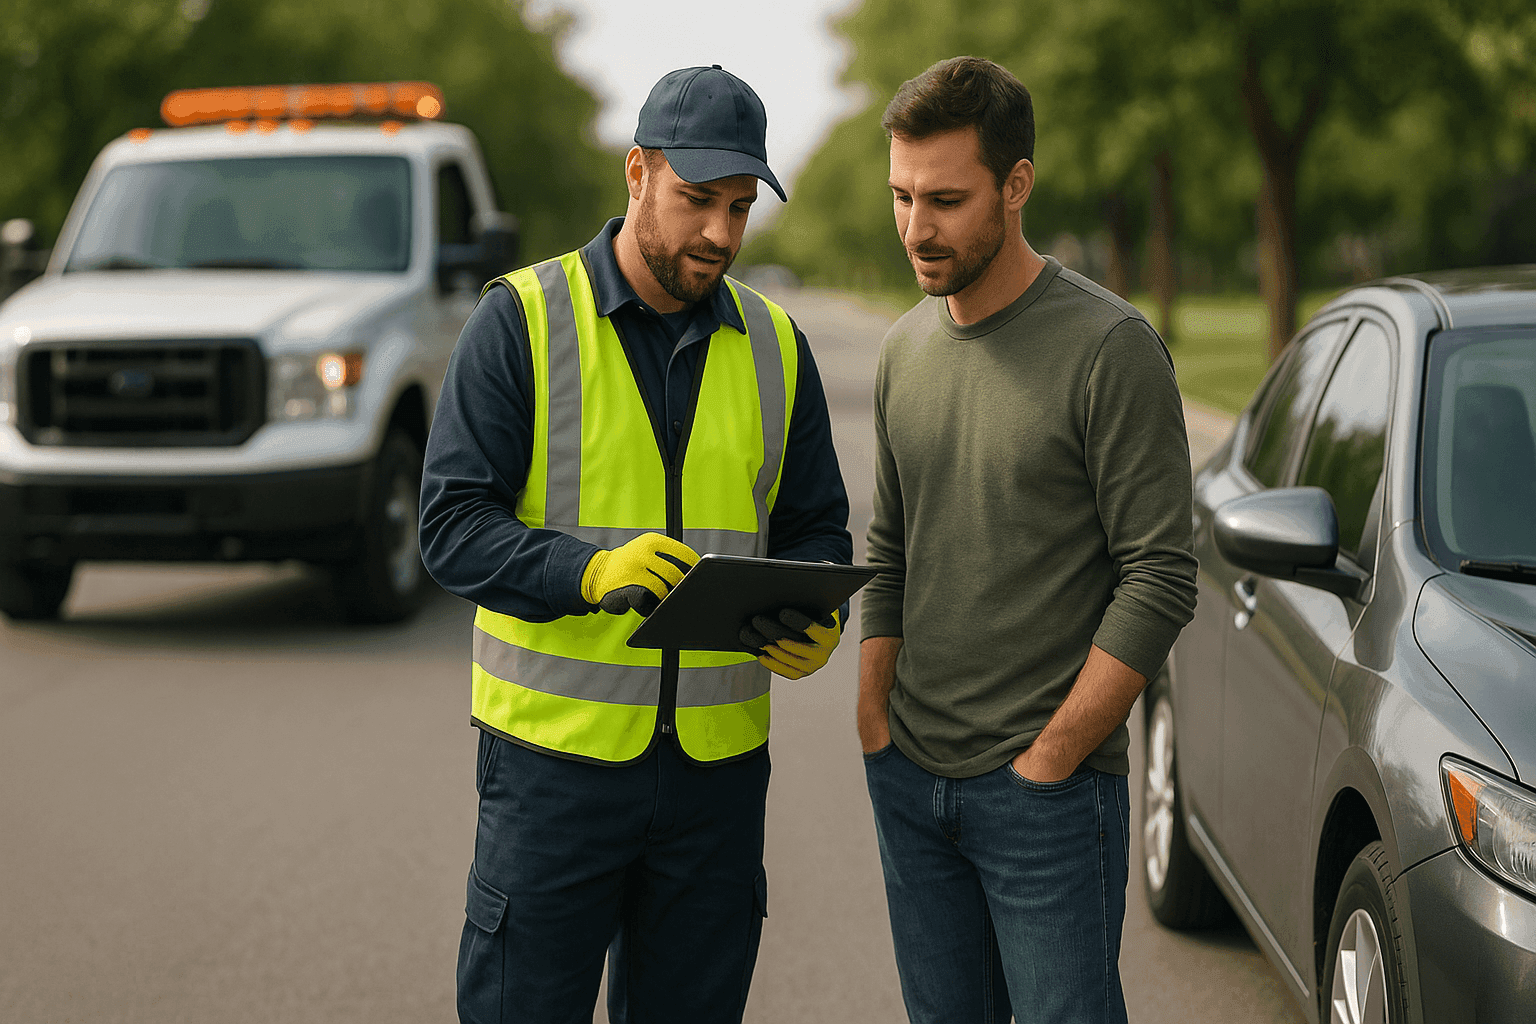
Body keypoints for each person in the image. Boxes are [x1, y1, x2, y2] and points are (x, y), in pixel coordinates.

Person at [420, 65, 852, 1024]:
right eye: (698, 201)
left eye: (741, 208)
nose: (722, 236)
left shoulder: (780, 348)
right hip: (551, 775)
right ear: (636, 174)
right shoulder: (520, 323)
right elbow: (450, 530)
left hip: (718, 785)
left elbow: (818, 524)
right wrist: (587, 571)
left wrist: (821, 606)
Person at [858, 56, 1199, 1024]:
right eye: (901, 196)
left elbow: (1161, 575)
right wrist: (874, 723)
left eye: (946, 199)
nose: (916, 228)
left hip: (1044, 800)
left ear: (1016, 185)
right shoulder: (902, 347)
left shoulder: (1109, 348)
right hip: (911, 782)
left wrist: (1051, 758)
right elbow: (889, 548)